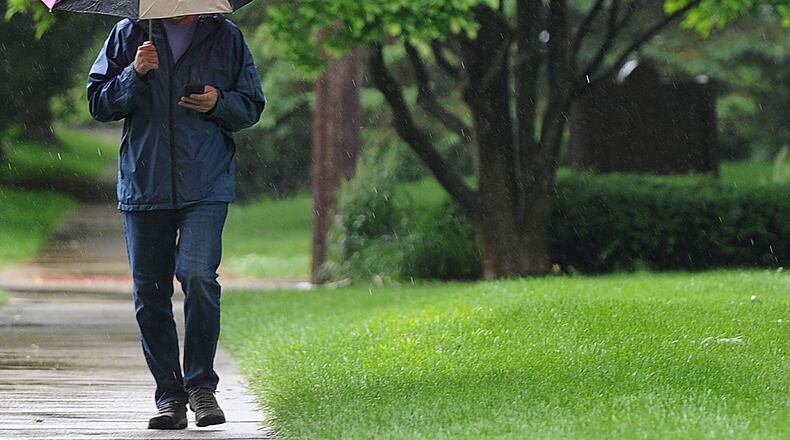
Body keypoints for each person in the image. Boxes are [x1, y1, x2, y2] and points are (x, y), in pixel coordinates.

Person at [87, 13, 265, 430]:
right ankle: (170, 396)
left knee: (199, 277)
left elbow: (252, 105)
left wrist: (219, 103)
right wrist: (134, 73)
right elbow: (98, 102)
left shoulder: (226, 36)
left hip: (205, 182)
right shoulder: (129, 33)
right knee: (150, 293)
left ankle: (201, 387)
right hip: (144, 183)